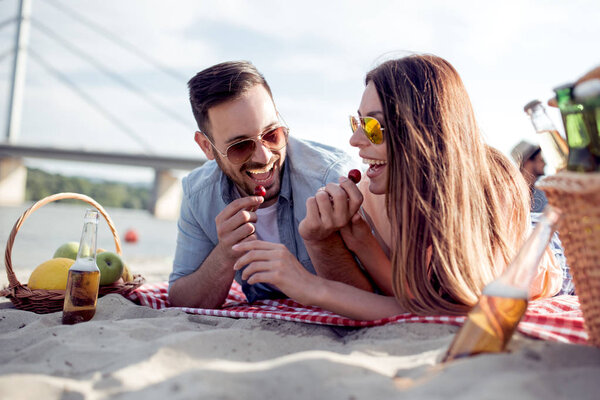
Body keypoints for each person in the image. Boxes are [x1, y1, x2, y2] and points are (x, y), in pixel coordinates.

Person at [232, 54, 563, 319]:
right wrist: (357, 239)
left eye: (373, 126)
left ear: (424, 129)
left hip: (547, 253)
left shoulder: (490, 182)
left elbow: (457, 304)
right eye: (357, 123)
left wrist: (309, 286)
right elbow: (411, 294)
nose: (355, 139)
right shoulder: (376, 190)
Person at [168, 61, 359, 308]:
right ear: (206, 146)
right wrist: (225, 253)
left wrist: (324, 245)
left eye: (272, 134)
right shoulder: (198, 194)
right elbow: (181, 302)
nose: (264, 157)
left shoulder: (330, 178)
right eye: (240, 146)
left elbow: (371, 293)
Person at [510, 140, 548, 212]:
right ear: (528, 161)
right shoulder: (511, 195)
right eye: (541, 159)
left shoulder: (543, 192)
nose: (545, 163)